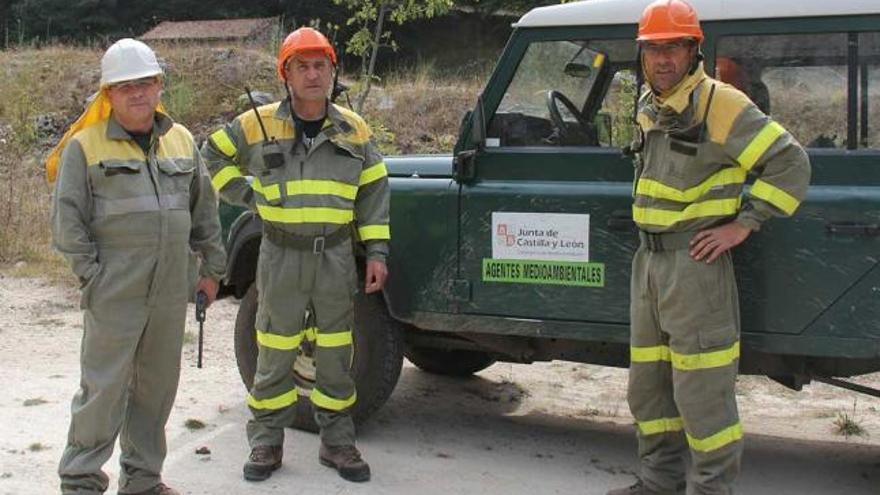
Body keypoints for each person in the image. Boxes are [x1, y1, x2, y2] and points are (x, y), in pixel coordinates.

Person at [608, 1, 810, 494]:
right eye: (653, 48)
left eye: (674, 46)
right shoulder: (651, 105)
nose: (663, 59)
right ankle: (658, 483)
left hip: (694, 265)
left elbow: (792, 164)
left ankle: (711, 489)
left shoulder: (721, 104)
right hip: (649, 263)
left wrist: (745, 223)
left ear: (694, 49)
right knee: (649, 388)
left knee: (702, 394)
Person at [201, 27, 390, 483]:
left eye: (319, 66)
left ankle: (337, 443)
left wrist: (378, 251)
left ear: (332, 71)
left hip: (336, 258)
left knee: (335, 352)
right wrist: (247, 195)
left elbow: (374, 190)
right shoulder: (257, 123)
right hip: (281, 254)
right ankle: (266, 443)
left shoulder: (354, 128)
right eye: (301, 66)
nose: (312, 75)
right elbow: (211, 155)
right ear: (285, 74)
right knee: (274, 349)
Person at [49, 38, 227, 495]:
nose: (137, 93)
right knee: (103, 389)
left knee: (156, 389)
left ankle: (143, 479)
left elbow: (204, 211)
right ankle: (81, 480)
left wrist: (212, 269)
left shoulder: (182, 140)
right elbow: (67, 220)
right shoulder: (84, 147)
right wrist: (92, 275)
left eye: (146, 82)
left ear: (159, 85)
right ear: (108, 93)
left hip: (169, 291)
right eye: (125, 85)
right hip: (115, 290)